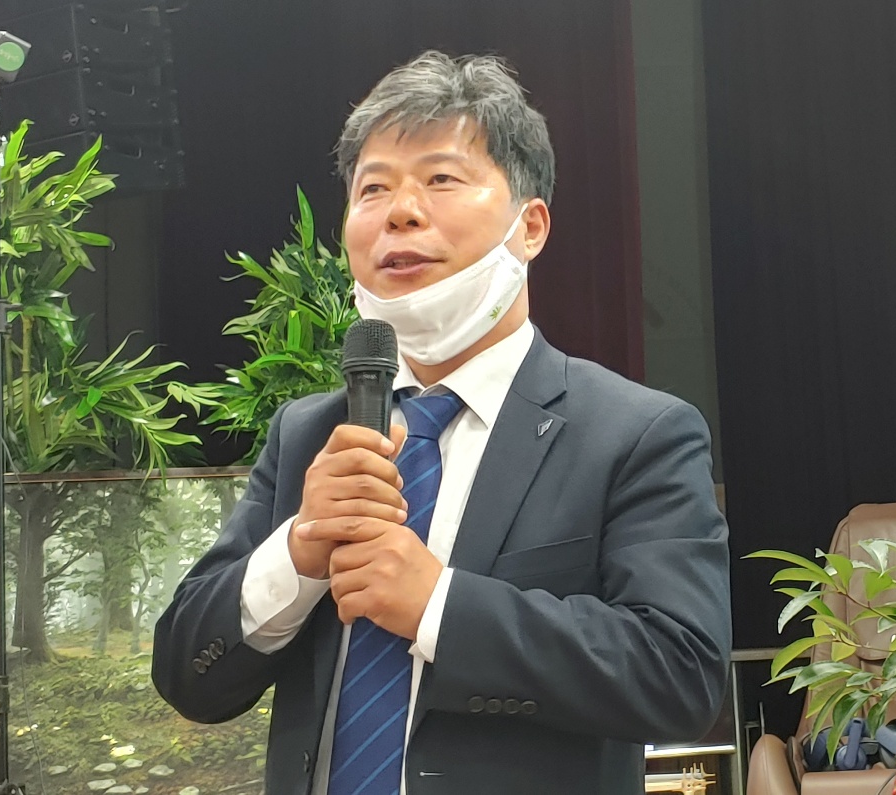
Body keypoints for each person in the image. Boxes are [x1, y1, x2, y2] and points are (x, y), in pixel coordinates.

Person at [152, 51, 731, 795]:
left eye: (441, 179)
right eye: (373, 188)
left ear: (530, 226)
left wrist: (439, 606)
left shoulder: (636, 434)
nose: (400, 210)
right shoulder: (308, 435)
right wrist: (296, 553)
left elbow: (681, 675)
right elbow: (187, 676)